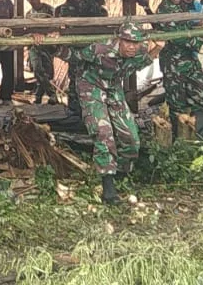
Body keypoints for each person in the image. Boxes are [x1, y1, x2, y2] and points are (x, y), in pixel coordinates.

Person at [58, 22, 160, 204]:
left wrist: (158, 47)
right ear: (119, 40)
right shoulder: (99, 49)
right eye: (127, 42)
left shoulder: (139, 51)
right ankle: (108, 188)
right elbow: (72, 56)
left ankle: (121, 174)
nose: (132, 46)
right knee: (103, 133)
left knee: (131, 137)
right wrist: (51, 44)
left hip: (113, 88)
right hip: (91, 86)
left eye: (136, 43)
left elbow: (141, 62)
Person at [155, 0, 203, 140]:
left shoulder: (183, 5)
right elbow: (181, 38)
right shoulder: (165, 10)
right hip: (174, 65)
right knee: (177, 107)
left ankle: (200, 140)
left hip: (190, 61)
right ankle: (180, 143)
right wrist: (201, 37)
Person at [56, 0, 107, 118]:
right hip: (75, 51)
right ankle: (75, 112)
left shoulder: (91, 4)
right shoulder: (63, 9)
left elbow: (101, 14)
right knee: (75, 80)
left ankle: (97, 109)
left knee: (96, 78)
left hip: (94, 49)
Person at [25, 0, 57, 105]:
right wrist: (33, 34)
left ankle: (38, 96)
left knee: (47, 73)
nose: (35, 1)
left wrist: (47, 34)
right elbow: (26, 30)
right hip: (34, 46)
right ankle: (52, 94)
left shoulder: (50, 10)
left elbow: (56, 26)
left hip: (48, 46)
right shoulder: (29, 15)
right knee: (37, 69)